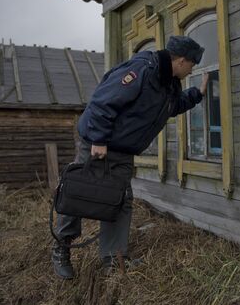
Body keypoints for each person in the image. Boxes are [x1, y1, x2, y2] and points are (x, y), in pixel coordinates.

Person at [51, 35, 208, 279]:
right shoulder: (142, 70)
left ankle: (113, 258)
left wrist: (197, 94)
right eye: (192, 64)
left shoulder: (169, 83)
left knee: (120, 200)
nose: (192, 69)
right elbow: (104, 101)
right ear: (180, 60)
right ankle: (62, 248)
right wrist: (100, 139)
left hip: (124, 152)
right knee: (78, 193)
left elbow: (170, 108)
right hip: (98, 145)